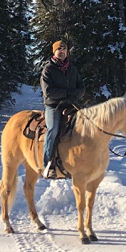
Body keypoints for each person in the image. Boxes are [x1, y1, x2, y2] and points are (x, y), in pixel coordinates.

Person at [40, 40, 84, 179]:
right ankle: (47, 164)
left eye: (64, 49)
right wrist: (68, 93)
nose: (62, 51)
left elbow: (81, 87)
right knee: (53, 130)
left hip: (71, 104)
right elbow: (49, 92)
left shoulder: (72, 69)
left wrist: (75, 95)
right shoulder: (48, 69)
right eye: (59, 49)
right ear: (54, 52)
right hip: (54, 105)